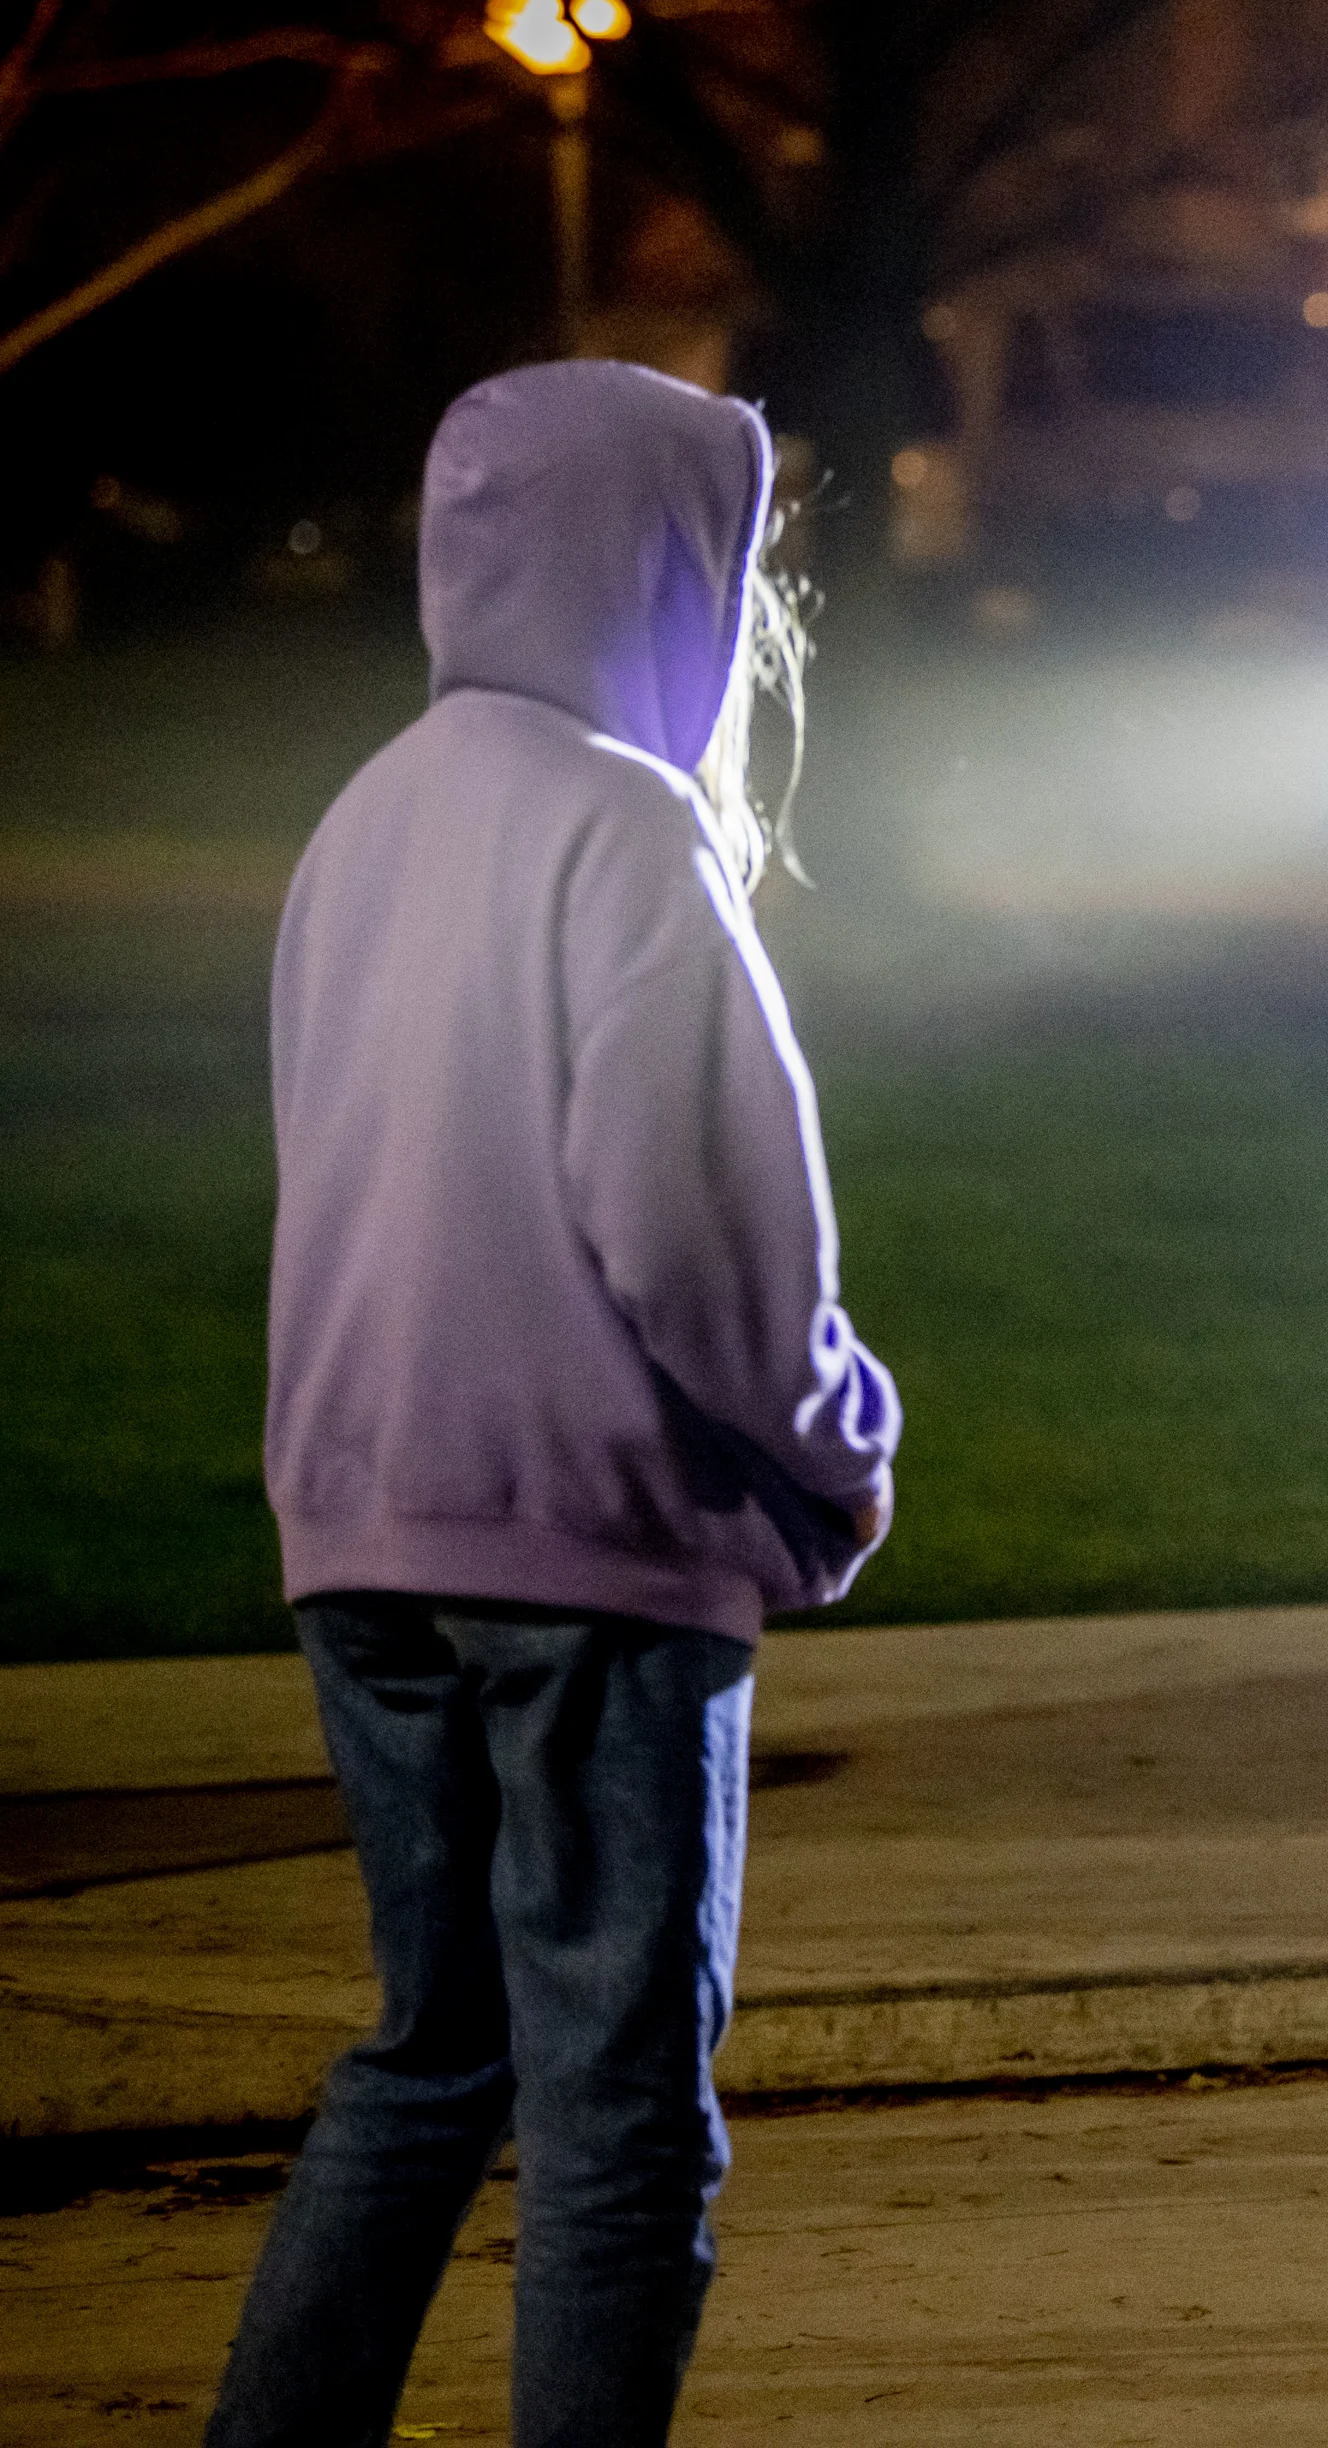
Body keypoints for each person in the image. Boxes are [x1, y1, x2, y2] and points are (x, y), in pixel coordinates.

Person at [212, 361, 899, 2448]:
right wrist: (836, 1446)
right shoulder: (629, 830)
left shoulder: (365, 815)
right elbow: (704, 1235)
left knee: (434, 2048)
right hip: (588, 1537)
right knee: (618, 2117)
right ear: (659, 568)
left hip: (363, 1530)